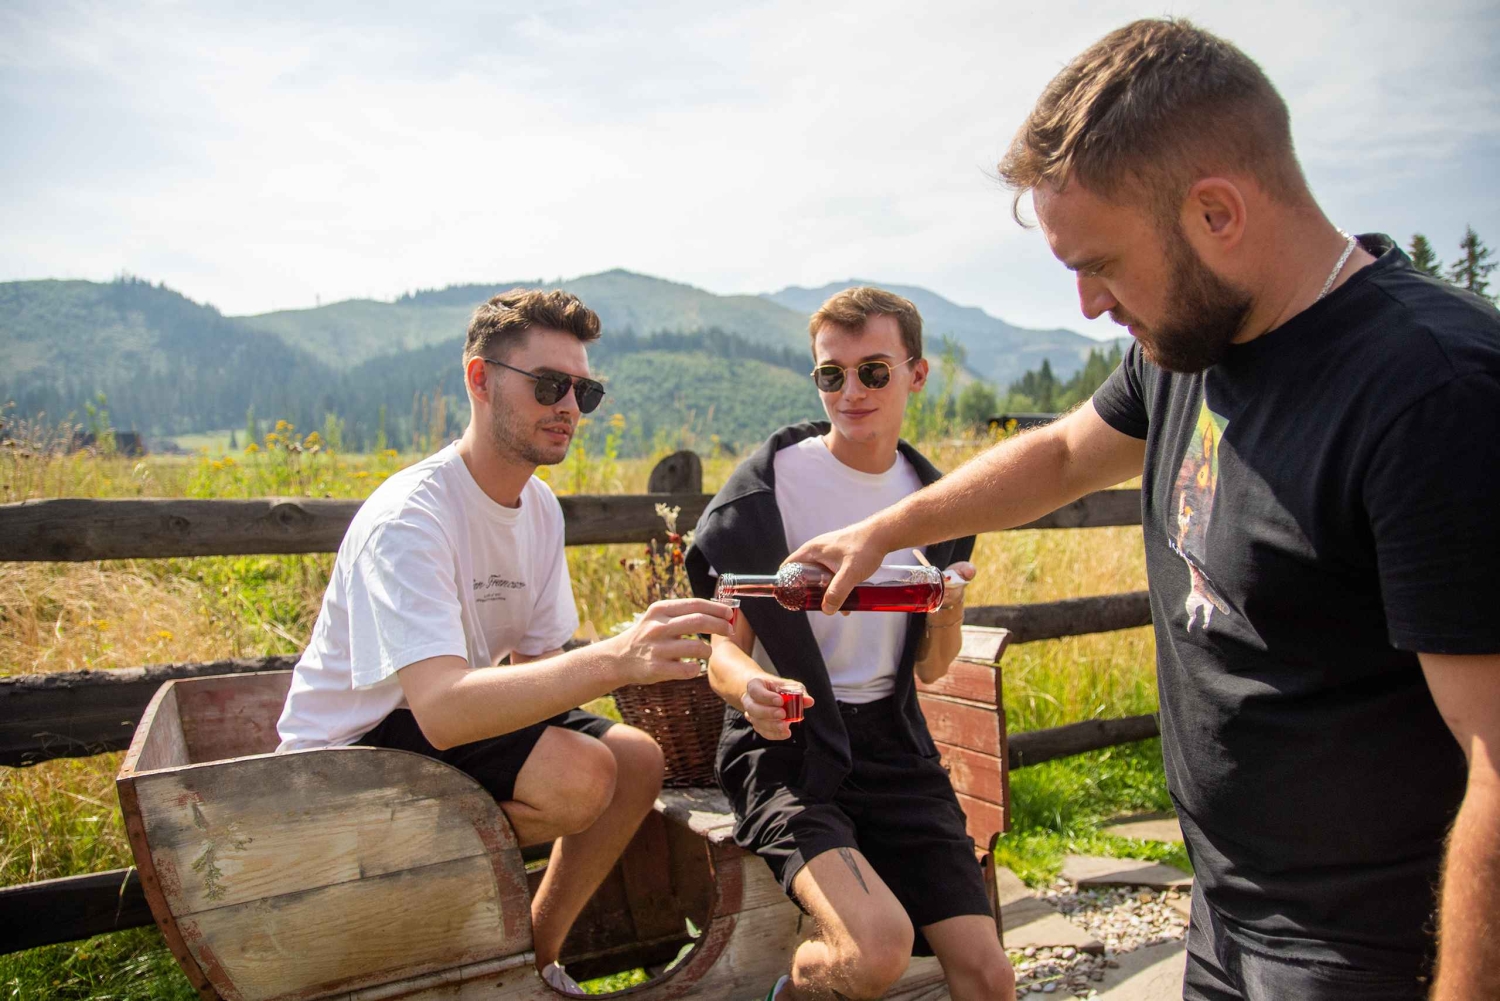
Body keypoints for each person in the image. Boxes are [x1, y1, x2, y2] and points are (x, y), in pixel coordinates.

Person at [787, 19, 1500, 1001]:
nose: (1086, 304)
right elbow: (1065, 451)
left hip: (1377, 954)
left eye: (1102, 263)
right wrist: (885, 528)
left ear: (1216, 213)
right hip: (1230, 920)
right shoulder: (1188, 343)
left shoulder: (1433, 395)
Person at [276, 289, 732, 994]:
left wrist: (646, 656)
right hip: (344, 754)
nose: (570, 408)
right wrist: (614, 656)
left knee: (636, 761)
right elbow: (444, 709)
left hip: (428, 725)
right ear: (479, 379)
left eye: (586, 391)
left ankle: (529, 964)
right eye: (551, 385)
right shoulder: (411, 517)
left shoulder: (539, 507)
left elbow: (539, 669)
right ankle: (444, 946)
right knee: (579, 775)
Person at [685, 287, 1017, 1001]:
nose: (851, 391)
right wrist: (750, 691)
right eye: (831, 374)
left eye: (873, 371)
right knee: (877, 950)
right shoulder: (768, 488)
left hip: (896, 746)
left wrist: (948, 611)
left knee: (990, 977)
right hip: (788, 745)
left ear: (916, 374)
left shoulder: (935, 501)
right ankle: (798, 990)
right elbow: (721, 647)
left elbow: (930, 667)